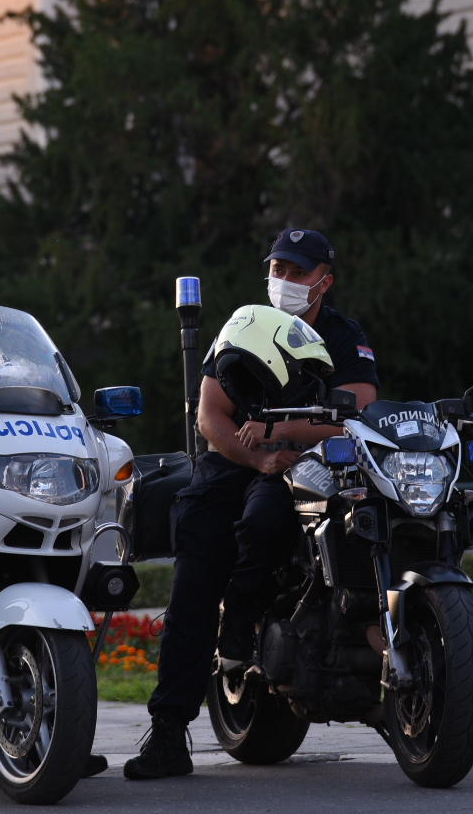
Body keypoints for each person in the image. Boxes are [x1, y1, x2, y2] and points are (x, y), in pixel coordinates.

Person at [124, 228, 380, 780]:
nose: (283, 281)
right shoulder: (245, 327)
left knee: (272, 522)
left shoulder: (341, 334)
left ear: (323, 282)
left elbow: (359, 407)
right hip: (234, 463)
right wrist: (255, 455)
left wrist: (278, 430)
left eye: (297, 272)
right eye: (278, 270)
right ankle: (168, 733)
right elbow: (209, 415)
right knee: (195, 577)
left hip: (304, 464)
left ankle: (247, 607)